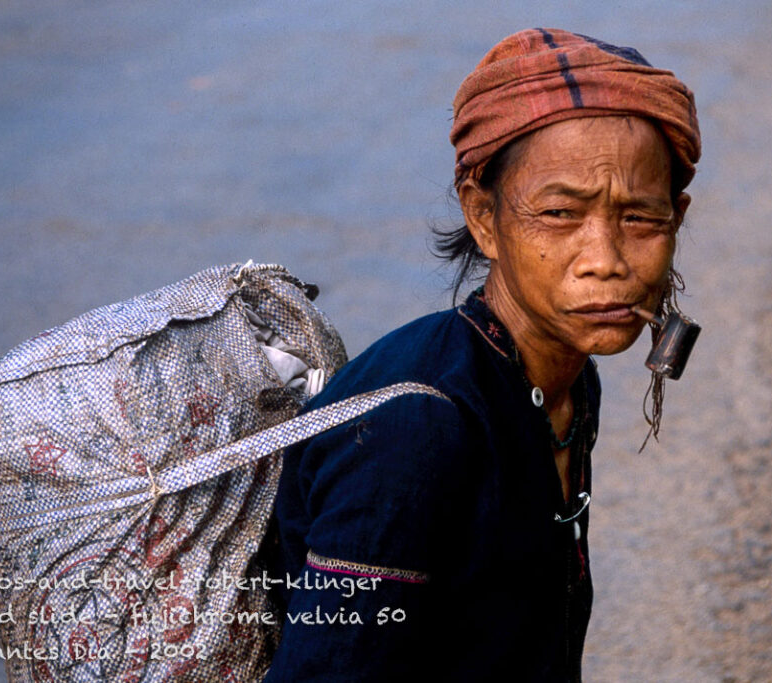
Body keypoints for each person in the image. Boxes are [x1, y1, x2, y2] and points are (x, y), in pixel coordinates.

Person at [262, 28, 701, 682]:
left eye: (640, 218)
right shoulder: (415, 430)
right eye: (560, 213)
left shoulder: (566, 379)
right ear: (484, 217)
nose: (606, 260)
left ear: (676, 217)